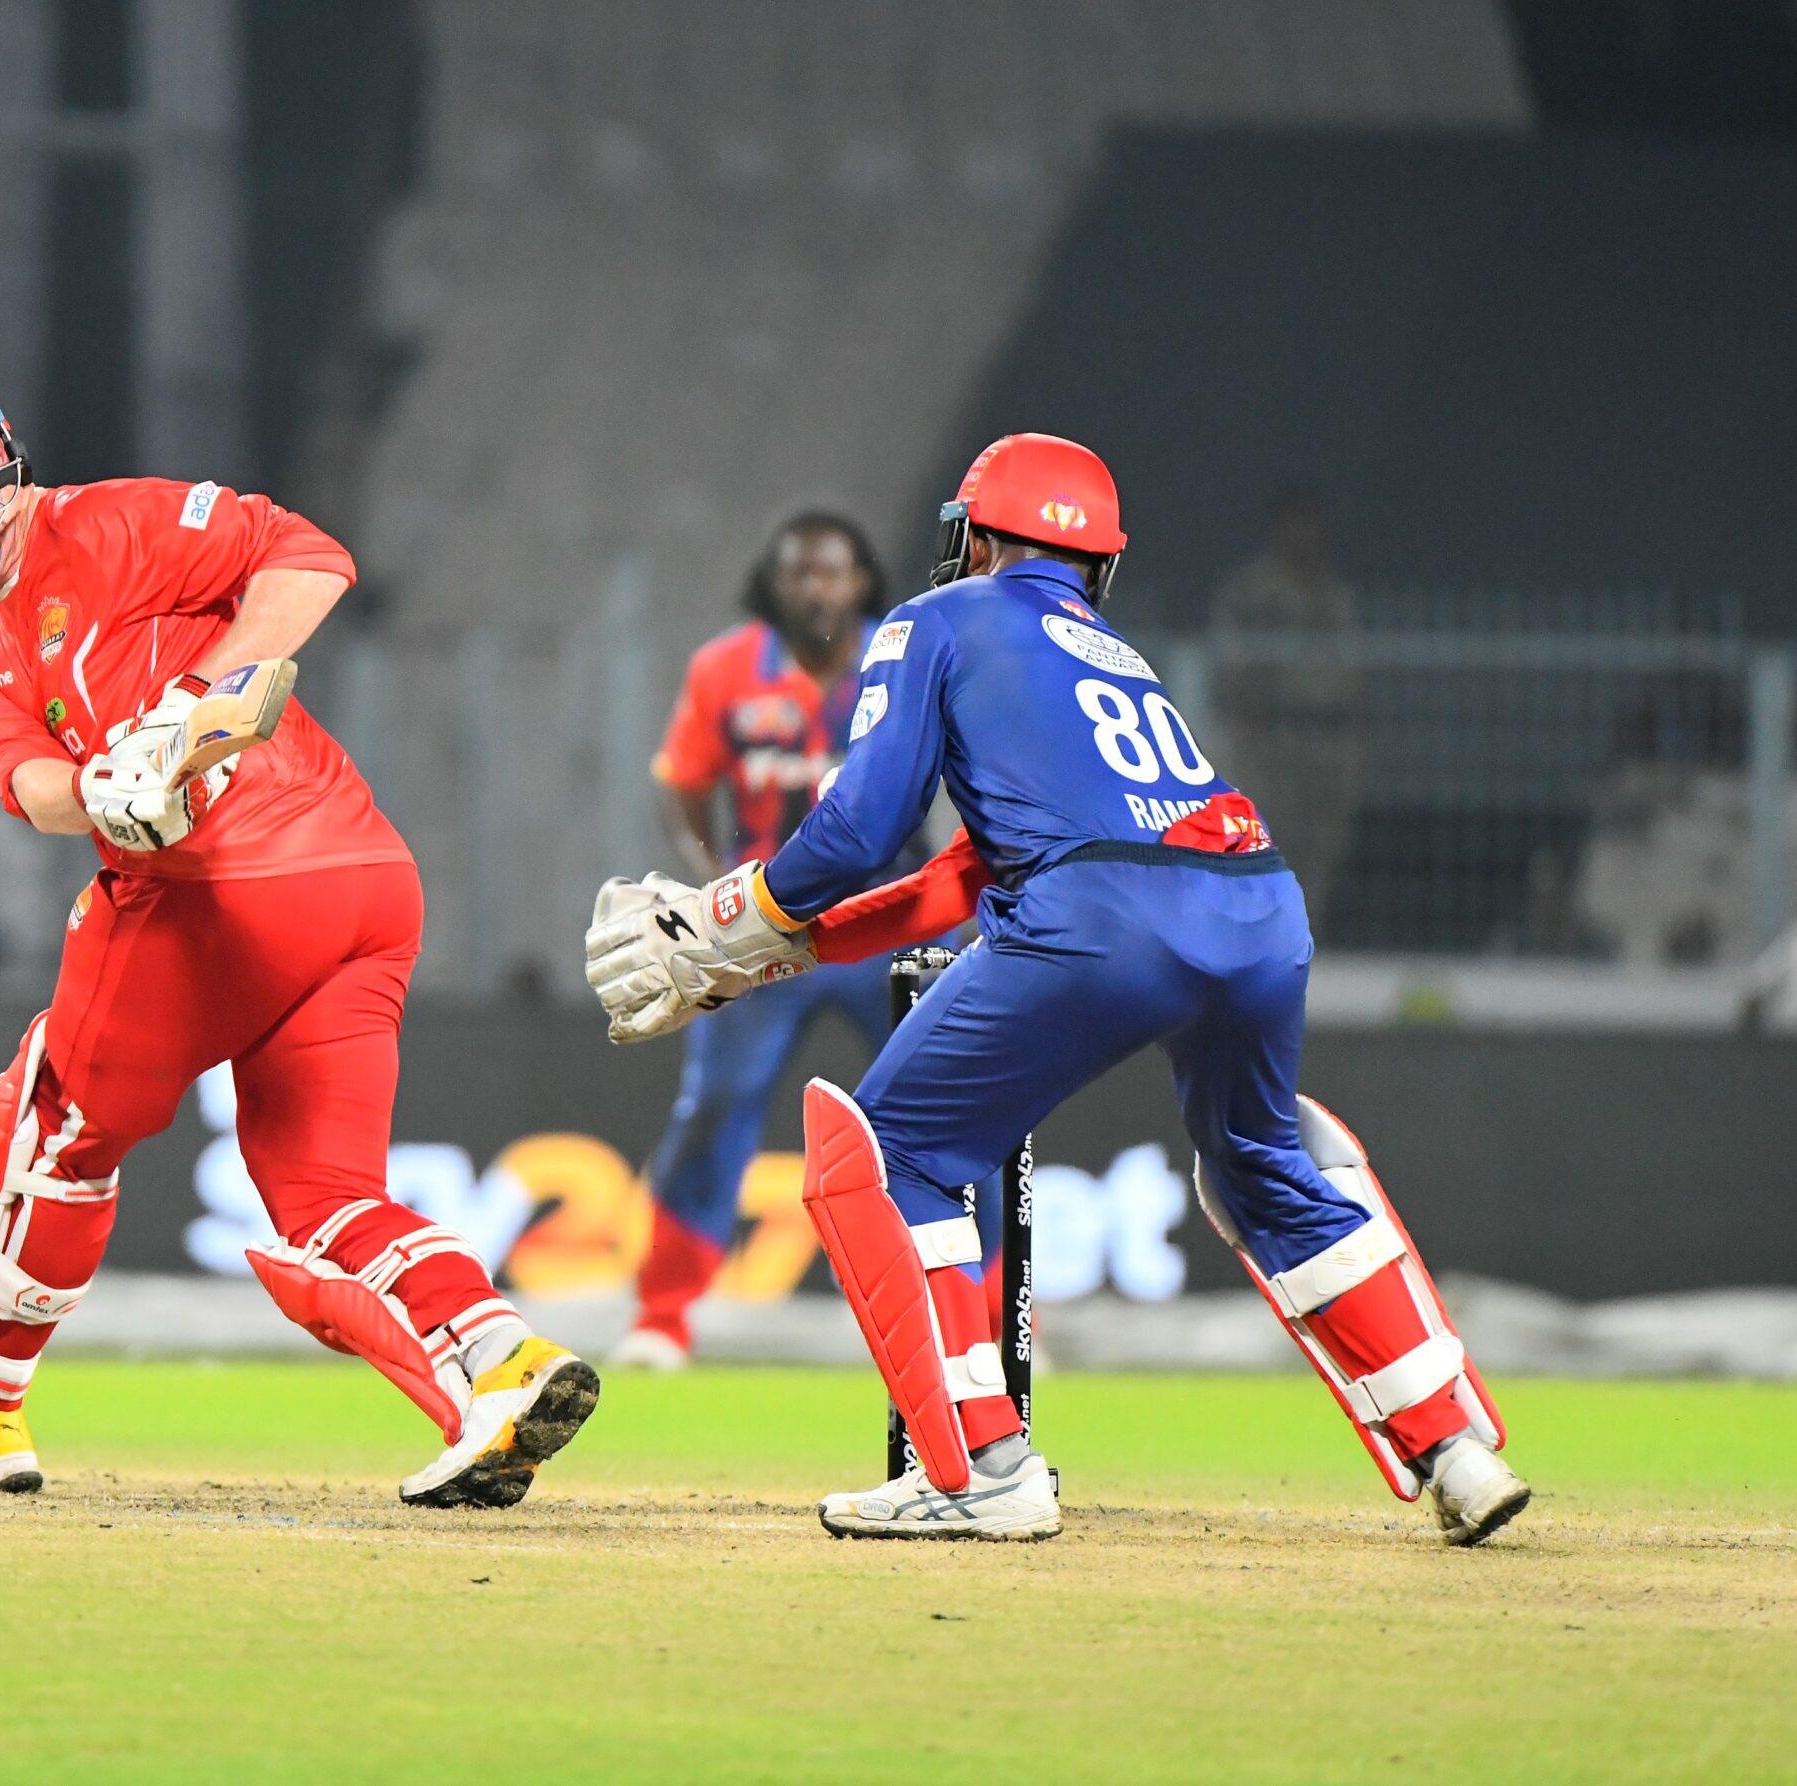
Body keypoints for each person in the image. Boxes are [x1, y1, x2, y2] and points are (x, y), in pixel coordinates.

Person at [587, 434, 1528, 1547]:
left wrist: (726, 916)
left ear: (978, 536)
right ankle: (1456, 1450)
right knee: (1263, 1166)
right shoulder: (1113, 658)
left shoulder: (938, 620)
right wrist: (760, 951)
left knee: (890, 1161)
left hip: (1100, 916)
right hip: (1257, 908)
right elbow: (954, 881)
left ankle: (984, 1470)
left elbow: (858, 830)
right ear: (1098, 566)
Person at [0, 365, 598, 1506]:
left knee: (60, 1125)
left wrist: (189, 708)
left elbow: (312, 559)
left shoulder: (110, 522)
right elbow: (34, 785)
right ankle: (503, 1360)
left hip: (234, 893)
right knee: (323, 1198)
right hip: (363, 886)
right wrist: (106, 787)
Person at [614, 507, 995, 1369]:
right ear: (773, 584)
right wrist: (706, 869)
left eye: (833, 572)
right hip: (760, 932)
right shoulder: (724, 668)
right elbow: (679, 780)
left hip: (896, 921)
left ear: (863, 580)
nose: (817, 587)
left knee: (961, 1114)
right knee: (714, 1109)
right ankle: (663, 1318)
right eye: (800, 572)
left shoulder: (907, 652)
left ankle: (997, 1331)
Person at [1208, 489, 1366, 914]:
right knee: (1259, 849)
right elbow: (1231, 669)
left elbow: (1353, 675)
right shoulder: (1250, 592)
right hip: (1269, 739)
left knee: (1318, 856)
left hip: (1325, 741)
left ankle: (1312, 937)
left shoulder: (1334, 595)